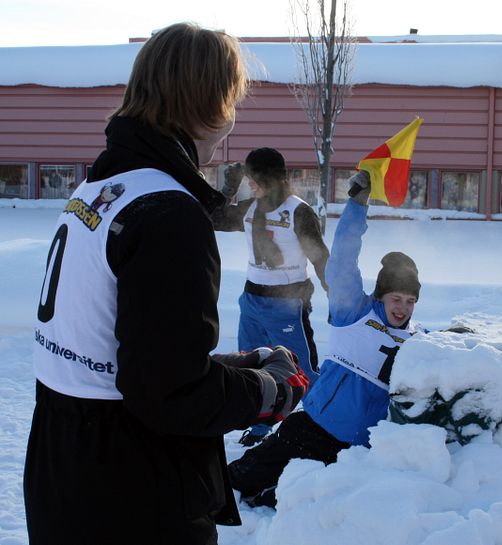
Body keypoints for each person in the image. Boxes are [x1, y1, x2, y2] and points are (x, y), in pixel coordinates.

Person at [24, 23, 308, 545]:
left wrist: (233, 367)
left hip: (65, 468)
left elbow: (124, 358)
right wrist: (266, 392)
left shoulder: (102, 187)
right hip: (134, 489)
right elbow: (169, 395)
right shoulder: (168, 212)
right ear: (215, 105)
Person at [227, 169, 423, 508]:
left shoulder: (418, 341)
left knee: (298, 502)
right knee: (237, 482)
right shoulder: (355, 313)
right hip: (315, 426)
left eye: (410, 301)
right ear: (382, 296)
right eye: (396, 299)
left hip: (355, 452)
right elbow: (342, 262)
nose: (402, 308)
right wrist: (358, 205)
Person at [211, 147, 329, 446]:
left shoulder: (298, 211)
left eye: (254, 178)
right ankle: (261, 427)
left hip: (288, 303)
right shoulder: (250, 208)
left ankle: (325, 423)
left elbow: (320, 257)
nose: (250, 183)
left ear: (273, 178)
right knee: (253, 366)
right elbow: (212, 218)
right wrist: (229, 186)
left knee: (301, 367)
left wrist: (335, 294)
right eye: (248, 178)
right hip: (252, 300)